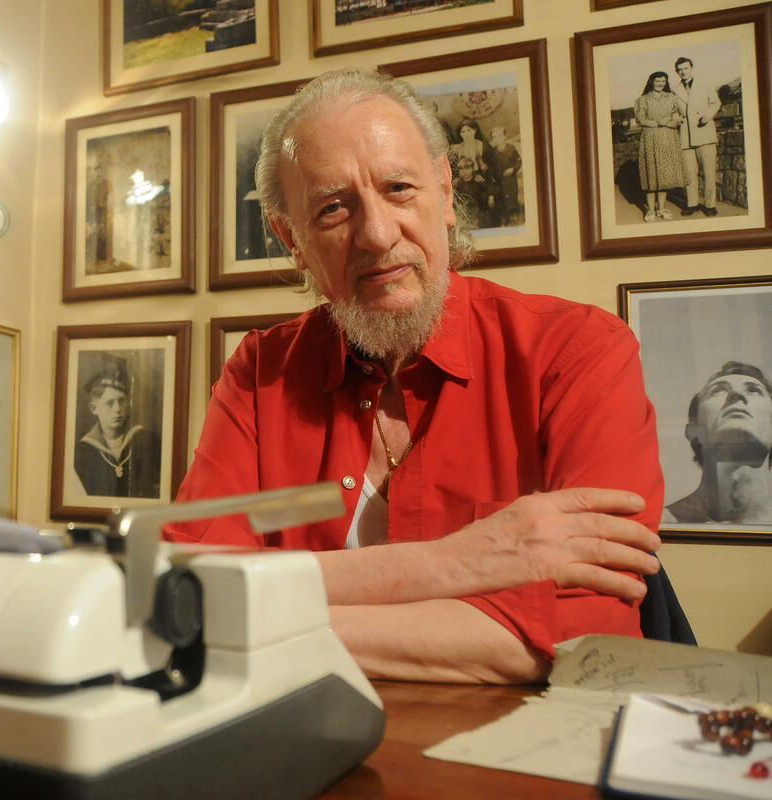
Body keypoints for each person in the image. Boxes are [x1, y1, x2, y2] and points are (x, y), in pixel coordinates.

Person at [165, 68, 663, 684]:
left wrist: (256, 615)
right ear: (291, 237)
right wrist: (455, 563)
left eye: (398, 188)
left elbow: (586, 636)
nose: (378, 235)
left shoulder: (578, 351)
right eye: (333, 208)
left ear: (445, 194)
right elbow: (189, 586)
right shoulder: (260, 373)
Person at [664, 362, 772, 524]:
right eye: (718, 391)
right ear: (693, 430)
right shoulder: (662, 524)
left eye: (754, 391)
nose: (736, 394)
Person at [74, 369, 161, 498]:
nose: (117, 409)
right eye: (110, 403)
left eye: (121, 401)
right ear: (94, 408)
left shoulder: (148, 440)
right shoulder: (83, 451)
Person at [633, 72, 686, 222]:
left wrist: (676, 120)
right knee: (651, 174)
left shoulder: (671, 97)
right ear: (651, 81)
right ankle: (650, 210)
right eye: (658, 81)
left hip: (668, 139)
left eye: (663, 81)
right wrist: (661, 122)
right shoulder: (643, 100)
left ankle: (661, 208)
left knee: (664, 174)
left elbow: (676, 114)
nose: (661, 83)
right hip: (650, 138)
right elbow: (640, 119)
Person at [672, 57, 721, 217]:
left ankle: (710, 204)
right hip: (686, 136)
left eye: (686, 68)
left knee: (708, 172)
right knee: (689, 173)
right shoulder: (675, 89)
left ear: (691, 68)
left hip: (704, 132)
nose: (683, 72)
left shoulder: (705, 84)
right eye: (680, 69)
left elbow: (715, 103)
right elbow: (673, 111)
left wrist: (707, 116)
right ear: (677, 71)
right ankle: (692, 204)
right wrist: (677, 118)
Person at [488, 126, 522, 226]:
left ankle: (514, 215)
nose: (497, 139)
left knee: (511, 196)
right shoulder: (493, 152)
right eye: (494, 137)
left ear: (504, 136)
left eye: (499, 136)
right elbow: (491, 165)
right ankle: (504, 217)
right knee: (500, 197)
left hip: (509, 179)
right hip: (498, 179)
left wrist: (513, 169)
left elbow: (518, 161)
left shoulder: (511, 148)